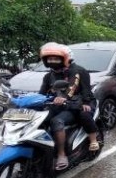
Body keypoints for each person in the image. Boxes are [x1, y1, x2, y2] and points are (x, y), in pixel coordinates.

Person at [38, 42, 99, 170]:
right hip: (61, 105)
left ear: (65, 58)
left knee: (58, 121)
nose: (52, 61)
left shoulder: (78, 71)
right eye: (50, 58)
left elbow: (79, 90)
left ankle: (62, 154)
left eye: (55, 58)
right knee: (40, 120)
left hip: (77, 103)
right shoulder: (49, 76)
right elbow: (42, 94)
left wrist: (85, 102)